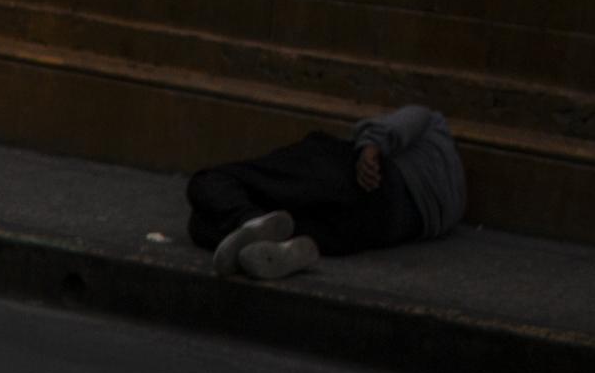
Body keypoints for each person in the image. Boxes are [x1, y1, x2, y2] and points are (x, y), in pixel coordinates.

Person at [188, 105, 468, 281]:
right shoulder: (454, 207)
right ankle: (280, 244)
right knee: (205, 224)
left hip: (357, 177)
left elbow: (404, 122)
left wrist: (369, 150)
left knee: (211, 184)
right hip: (375, 228)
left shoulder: (435, 124)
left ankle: (250, 220)